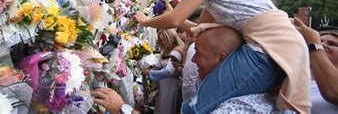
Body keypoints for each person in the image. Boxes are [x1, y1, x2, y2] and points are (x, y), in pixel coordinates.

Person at [135, 0, 310, 113]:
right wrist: (169, 13)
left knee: (195, 107)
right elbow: (198, 28)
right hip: (279, 49)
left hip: (267, 49)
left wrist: (146, 21)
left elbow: (176, 20)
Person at [93, 24, 274, 113]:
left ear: (221, 58)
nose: (194, 60)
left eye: (199, 53)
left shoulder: (234, 107)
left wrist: (121, 108)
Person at [292, 18, 338, 113]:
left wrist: (314, 44)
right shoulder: (294, 76)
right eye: (320, 41)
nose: (323, 44)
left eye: (332, 44)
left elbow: (335, 94)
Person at [141, 28, 183, 114]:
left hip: (172, 86)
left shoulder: (176, 51)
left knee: (167, 109)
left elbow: (168, 72)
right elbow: (157, 65)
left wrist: (149, 73)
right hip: (163, 85)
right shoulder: (165, 50)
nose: (163, 42)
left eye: (164, 39)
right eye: (161, 40)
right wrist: (153, 79)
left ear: (170, 37)